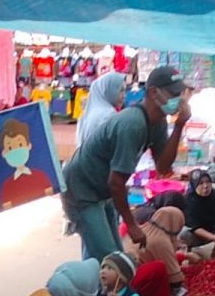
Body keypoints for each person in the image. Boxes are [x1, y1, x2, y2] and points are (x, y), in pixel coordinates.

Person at [61, 66, 191, 261]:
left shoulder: (158, 122)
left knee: (114, 256)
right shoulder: (132, 124)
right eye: (174, 94)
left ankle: (96, 277)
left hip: (102, 189)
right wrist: (132, 224)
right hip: (81, 190)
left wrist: (179, 125)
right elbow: (116, 183)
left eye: (181, 94)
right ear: (153, 92)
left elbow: (163, 167)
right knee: (111, 259)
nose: (179, 100)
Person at [123, 207, 197, 296]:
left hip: (123, 278)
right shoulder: (160, 240)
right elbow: (175, 281)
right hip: (131, 285)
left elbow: (162, 257)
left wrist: (185, 256)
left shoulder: (143, 229)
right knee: (159, 267)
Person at [0, 118, 55, 209]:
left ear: (28, 146)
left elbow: (51, 198)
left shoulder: (41, 176)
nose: (16, 151)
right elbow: (7, 209)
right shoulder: (7, 186)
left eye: (20, 145)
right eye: (10, 148)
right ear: (4, 153)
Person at [180, 170, 215, 255]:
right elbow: (195, 228)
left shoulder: (213, 194)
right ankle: (188, 252)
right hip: (196, 236)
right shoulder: (189, 201)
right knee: (184, 233)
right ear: (194, 185)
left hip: (212, 230)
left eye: (208, 182)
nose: (205, 186)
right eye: (200, 183)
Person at [75, 72, 126, 147]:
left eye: (124, 90)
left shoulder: (85, 115)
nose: (124, 96)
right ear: (108, 90)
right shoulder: (108, 115)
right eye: (120, 90)